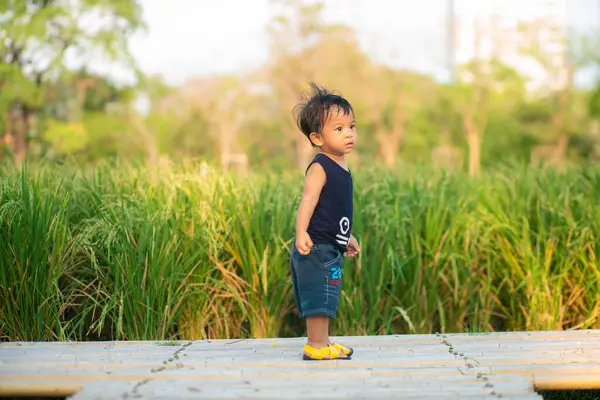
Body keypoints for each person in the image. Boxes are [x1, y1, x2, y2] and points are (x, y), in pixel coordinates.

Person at [290, 83, 360, 361]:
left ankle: (324, 341)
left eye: (352, 126)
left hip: (331, 245)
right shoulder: (320, 166)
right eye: (339, 129)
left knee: (328, 294)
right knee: (318, 296)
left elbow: (335, 211)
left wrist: (347, 236)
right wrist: (301, 233)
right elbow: (308, 201)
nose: (349, 134)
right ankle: (315, 345)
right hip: (316, 246)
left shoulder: (342, 165)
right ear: (317, 137)